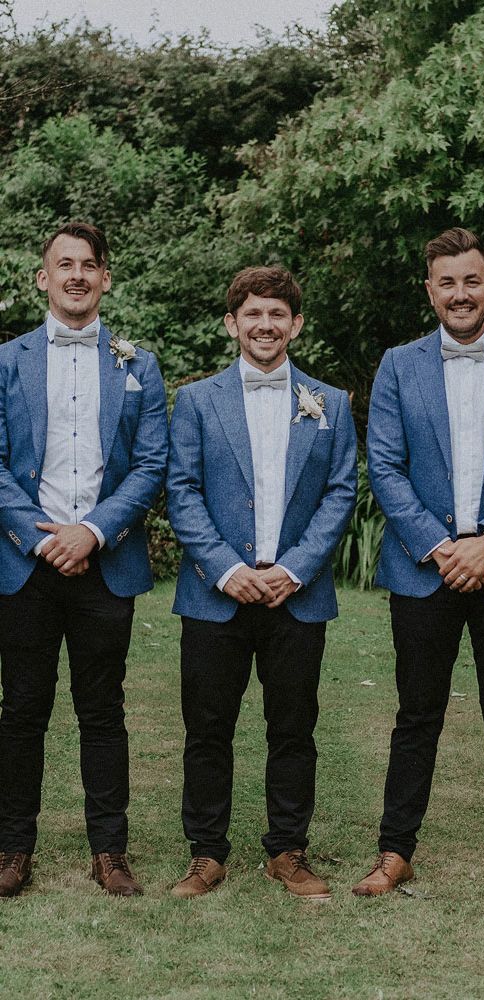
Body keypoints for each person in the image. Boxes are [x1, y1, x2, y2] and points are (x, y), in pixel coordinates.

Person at [352, 227, 484, 904]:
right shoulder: (397, 365)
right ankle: (395, 853)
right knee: (417, 714)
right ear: (430, 291)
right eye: (447, 282)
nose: (460, 294)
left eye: (472, 281)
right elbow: (384, 464)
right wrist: (441, 546)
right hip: (425, 569)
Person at [166, 266, 356, 901]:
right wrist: (227, 569)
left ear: (296, 325)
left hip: (296, 596)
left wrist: (294, 569)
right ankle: (206, 854)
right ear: (232, 324)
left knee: (294, 728)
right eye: (253, 314)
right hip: (214, 594)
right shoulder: (196, 401)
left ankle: (287, 851)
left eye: (278, 315)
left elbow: (339, 492)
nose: (265, 325)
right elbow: (183, 490)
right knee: (208, 728)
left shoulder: (330, 403)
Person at [0, 221, 168, 898]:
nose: (76, 275)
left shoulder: (138, 364)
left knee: (103, 710)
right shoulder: (7, 360)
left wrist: (92, 531)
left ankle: (110, 851)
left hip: (105, 562)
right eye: (63, 265)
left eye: (88, 265)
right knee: (21, 711)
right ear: (43, 278)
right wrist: (43, 537)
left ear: (105, 279)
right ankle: (12, 848)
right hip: (25, 564)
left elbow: (151, 463)